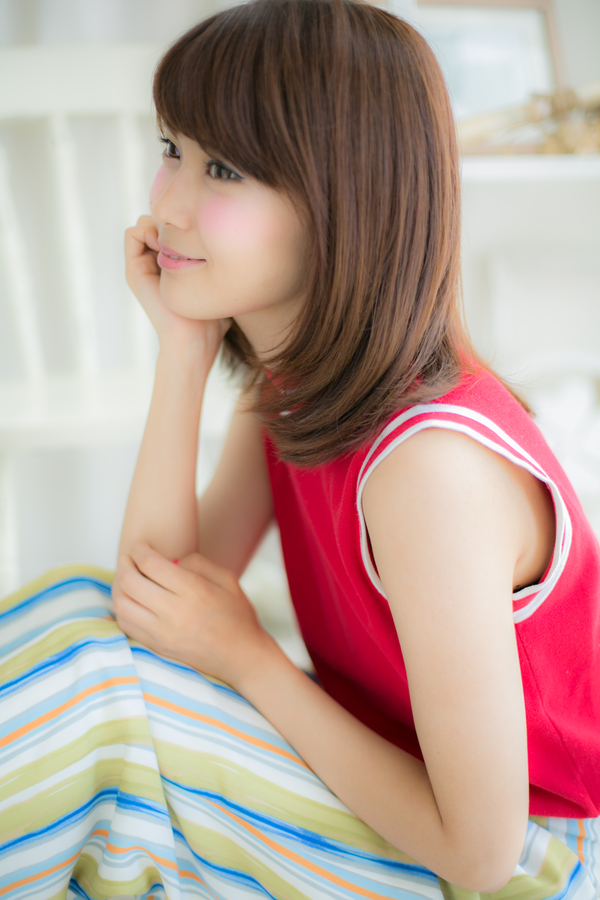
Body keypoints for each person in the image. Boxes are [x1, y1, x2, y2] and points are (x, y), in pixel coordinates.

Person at [1, 0, 599, 897]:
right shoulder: (299, 384)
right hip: (381, 792)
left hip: (521, 865)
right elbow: (156, 600)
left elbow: (480, 850)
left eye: (223, 169)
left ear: (340, 201)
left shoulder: (427, 468)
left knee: (92, 695)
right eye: (171, 150)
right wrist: (183, 352)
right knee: (79, 613)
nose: (168, 202)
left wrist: (253, 659)